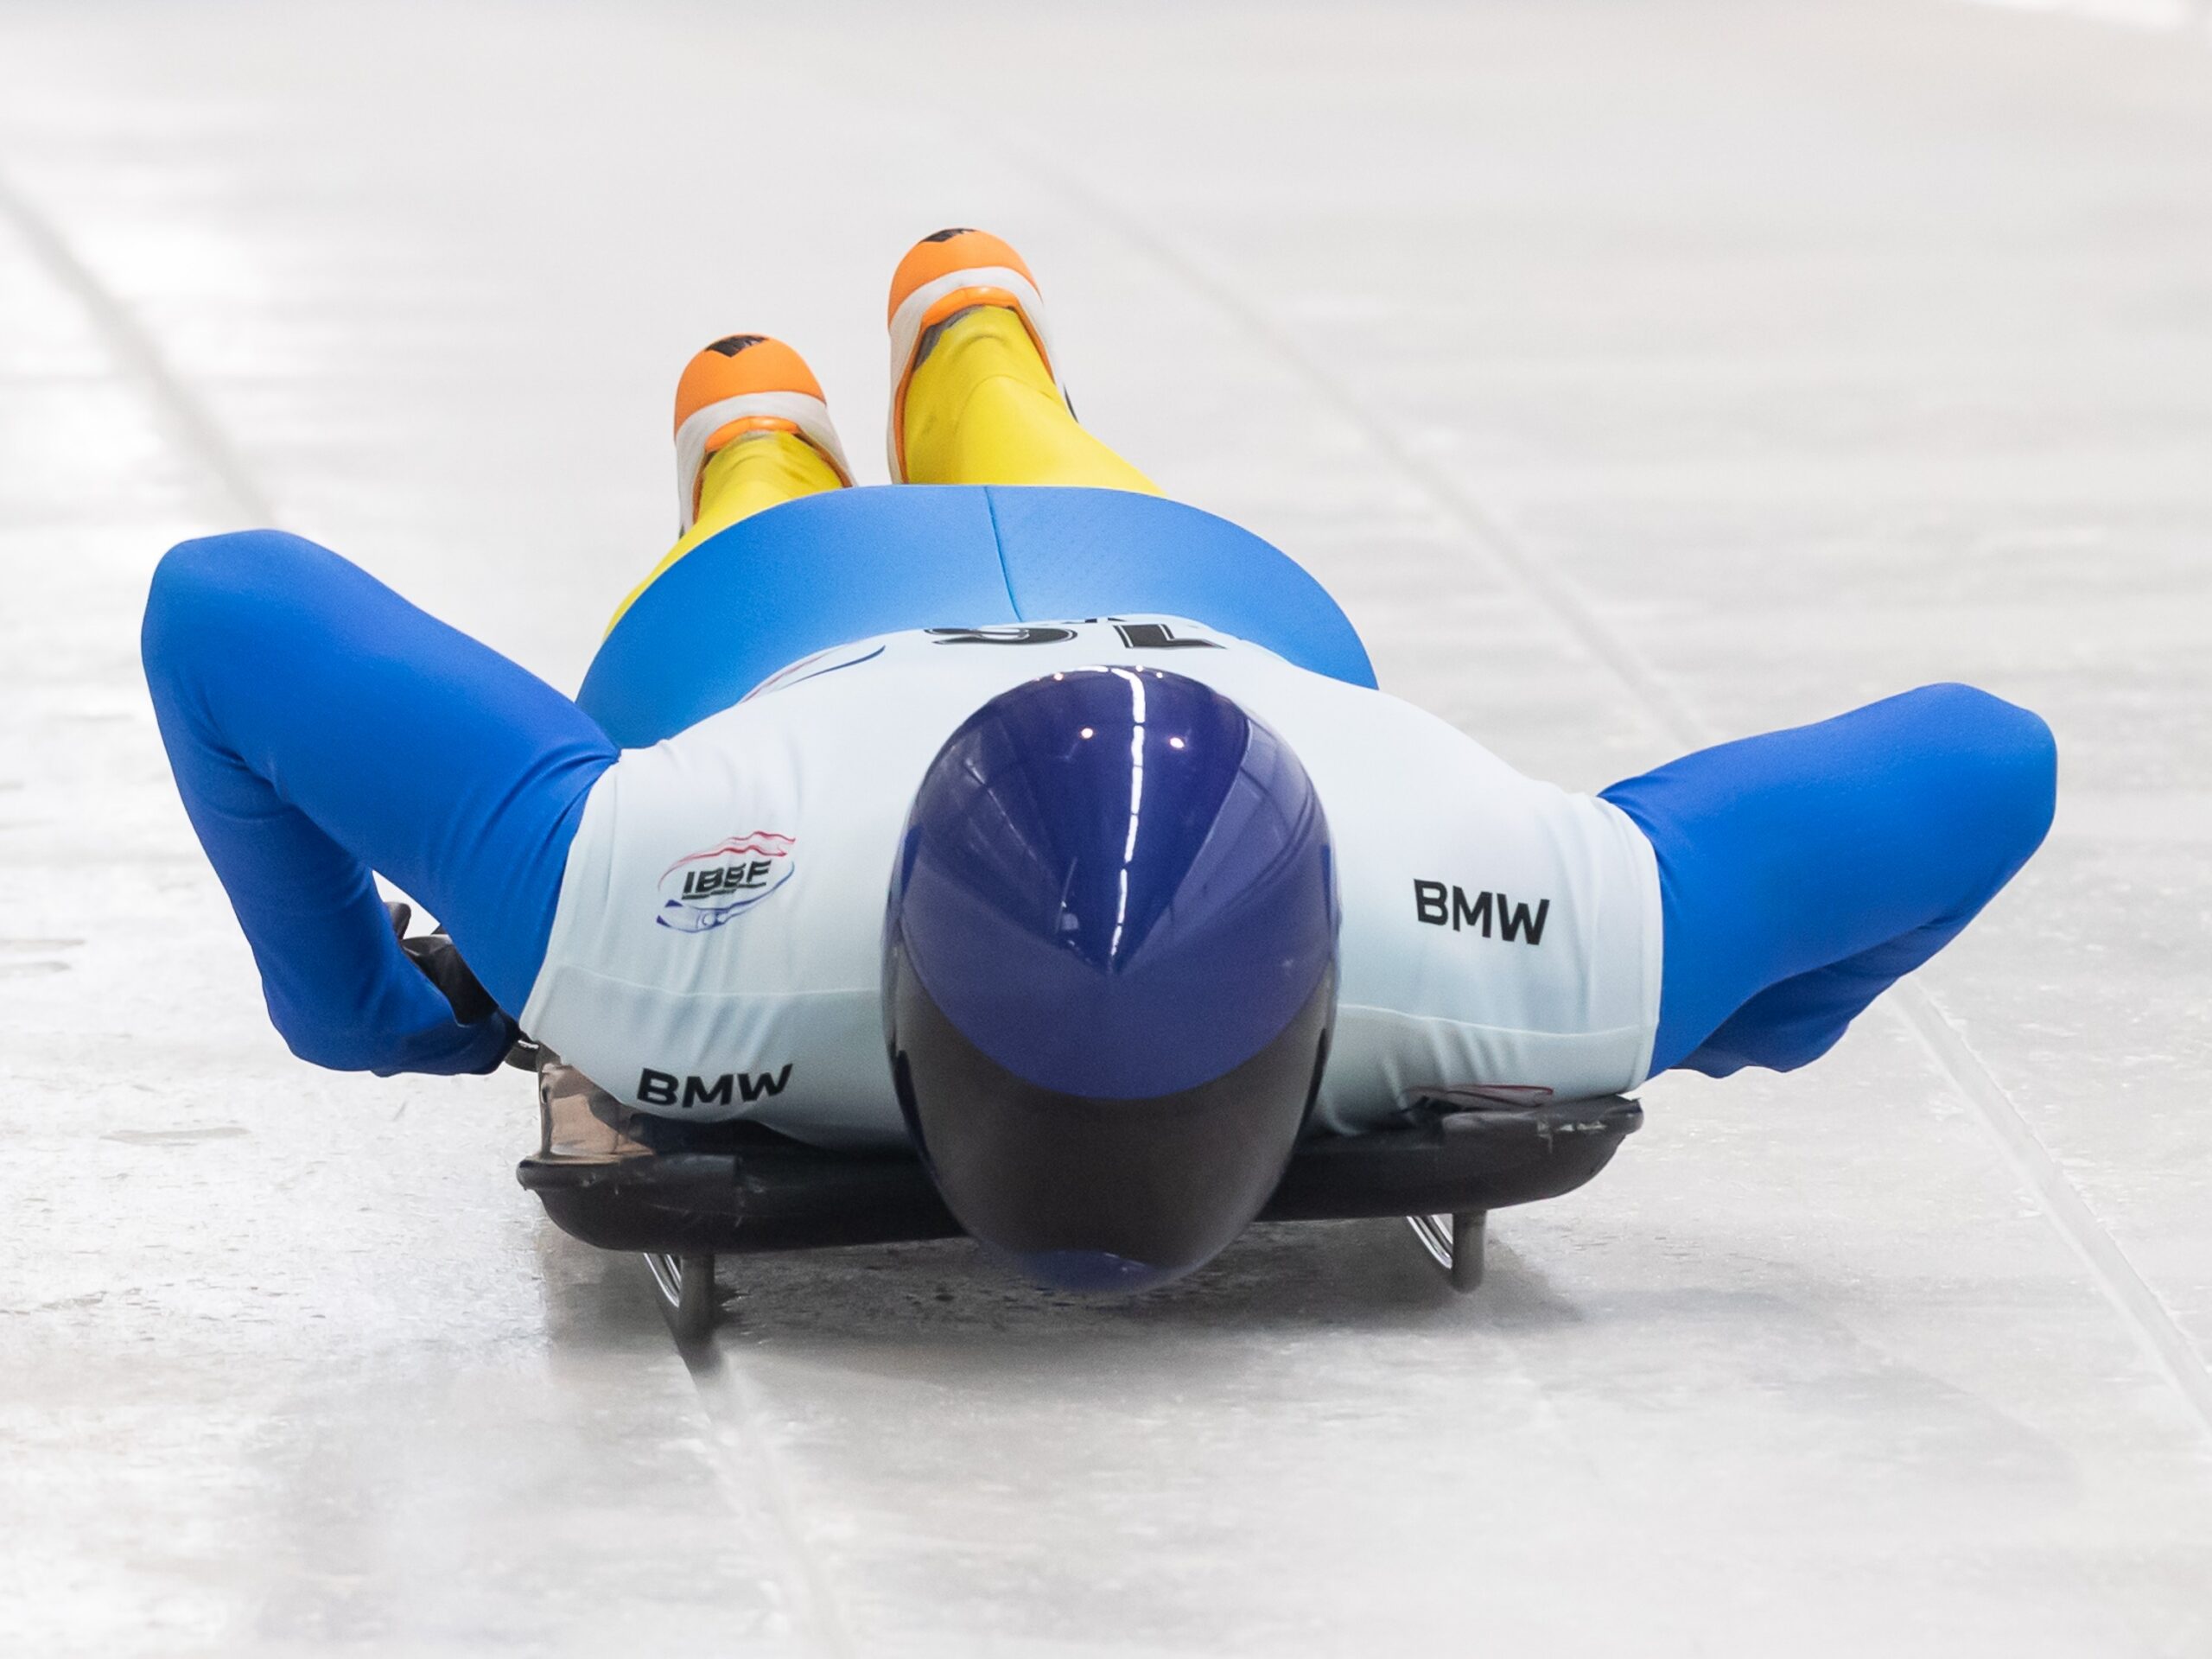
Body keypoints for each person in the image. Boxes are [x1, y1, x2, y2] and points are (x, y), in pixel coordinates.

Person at [141, 229, 2056, 1289]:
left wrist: (353, 1002)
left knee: (749, 508)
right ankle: (952, 366)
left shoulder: (661, 935)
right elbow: (1993, 755)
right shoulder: (1525, 940)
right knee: (892, 464)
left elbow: (223, 600)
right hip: (1120, 587)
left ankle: (816, 420)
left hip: (795, 622)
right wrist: (1733, 1007)